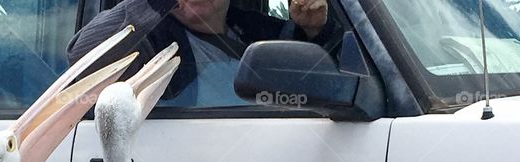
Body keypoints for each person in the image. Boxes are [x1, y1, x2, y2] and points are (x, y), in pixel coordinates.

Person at [67, 0, 343, 106]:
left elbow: (327, 73)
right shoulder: (153, 39)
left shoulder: (252, 27)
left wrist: (315, 29)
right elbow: (82, 59)